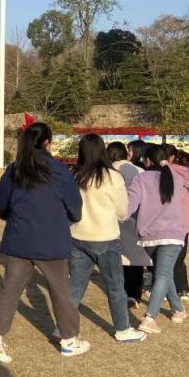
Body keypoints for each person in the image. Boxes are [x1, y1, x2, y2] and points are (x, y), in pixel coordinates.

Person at [0, 122, 89, 362]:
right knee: (60, 290)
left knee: (9, 289)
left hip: (19, 238)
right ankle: (69, 339)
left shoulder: (15, 169)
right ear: (47, 143)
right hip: (51, 240)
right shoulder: (58, 170)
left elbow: (2, 200)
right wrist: (71, 218)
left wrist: (9, 215)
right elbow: (74, 204)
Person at [67, 135, 145, 343]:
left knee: (74, 287)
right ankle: (122, 329)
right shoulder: (112, 177)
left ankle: (63, 329)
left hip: (77, 235)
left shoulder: (74, 175)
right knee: (115, 286)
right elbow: (122, 211)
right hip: (106, 237)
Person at [128, 144, 189, 334]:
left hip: (148, 235)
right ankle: (153, 317)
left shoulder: (141, 178)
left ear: (147, 161)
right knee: (164, 274)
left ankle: (175, 311)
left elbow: (129, 206)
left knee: (163, 273)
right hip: (173, 234)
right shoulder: (177, 178)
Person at [107, 141, 153, 308]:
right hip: (136, 218)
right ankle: (134, 294)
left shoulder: (109, 171)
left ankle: (120, 291)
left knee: (117, 257)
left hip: (114, 219)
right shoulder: (141, 171)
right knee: (136, 257)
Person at [173, 150, 189, 303]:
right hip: (183, 225)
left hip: (173, 224)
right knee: (178, 259)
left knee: (173, 260)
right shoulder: (183, 178)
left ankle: (180, 288)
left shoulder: (172, 174)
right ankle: (182, 289)